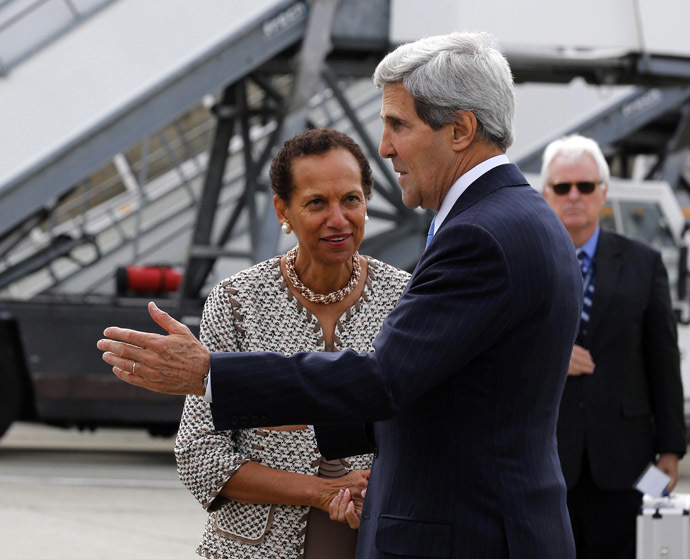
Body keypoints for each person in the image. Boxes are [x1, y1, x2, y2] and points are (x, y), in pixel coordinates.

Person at [98, 32, 582, 558]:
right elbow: (447, 396)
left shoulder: (480, 235)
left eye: (398, 124)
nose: (385, 145)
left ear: (461, 130)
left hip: (468, 533)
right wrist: (274, 413)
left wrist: (214, 375)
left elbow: (386, 380)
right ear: (283, 211)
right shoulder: (518, 217)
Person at [173, 128, 410, 559]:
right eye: (317, 202)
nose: (338, 218)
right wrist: (320, 492)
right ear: (283, 209)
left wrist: (379, 497)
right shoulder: (237, 301)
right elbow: (199, 454)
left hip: (375, 540)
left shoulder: (406, 298)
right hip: (249, 549)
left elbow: (425, 434)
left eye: (351, 199)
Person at [541, 134, 686, 559]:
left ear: (603, 191)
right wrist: (549, 358)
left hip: (625, 460)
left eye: (585, 186)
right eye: (562, 187)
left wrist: (673, 447)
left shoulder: (644, 263)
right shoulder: (523, 262)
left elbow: (662, 360)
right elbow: (494, 348)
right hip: (545, 458)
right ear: (545, 193)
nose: (574, 196)